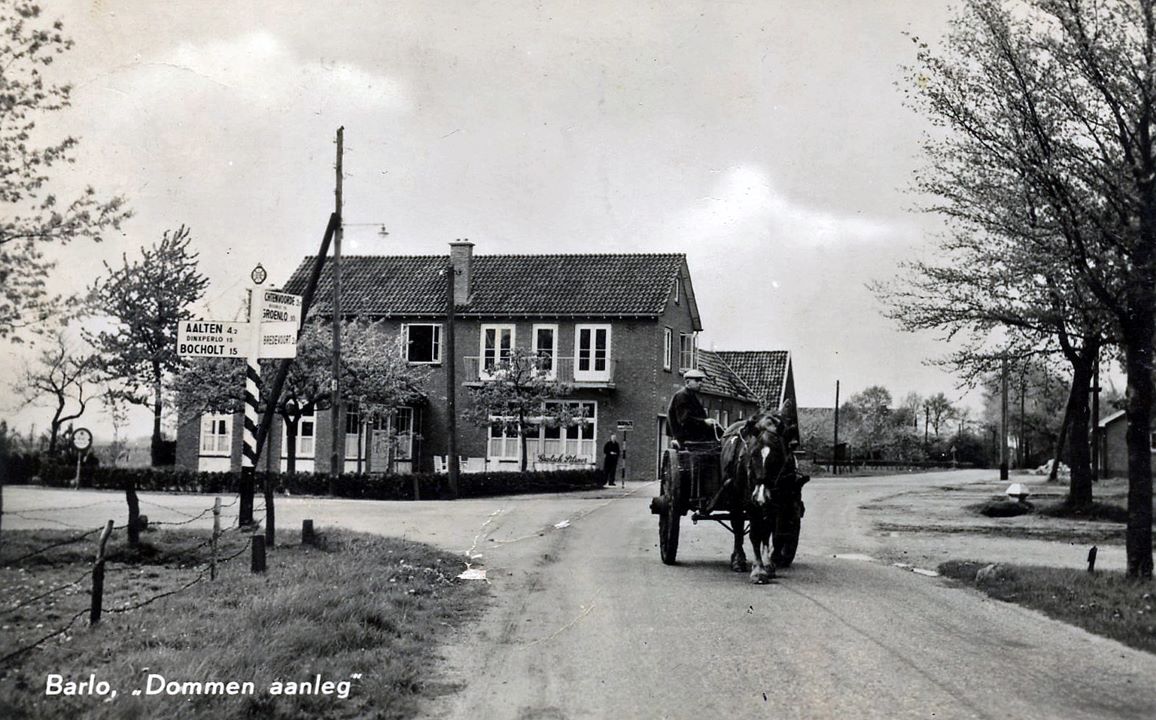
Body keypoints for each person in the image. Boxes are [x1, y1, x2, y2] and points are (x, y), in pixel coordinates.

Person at [666, 369, 718, 445]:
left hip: (694, 435)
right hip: (688, 437)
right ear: (687, 382)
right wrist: (704, 422)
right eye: (697, 380)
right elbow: (684, 420)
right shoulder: (682, 396)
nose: (700, 383)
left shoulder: (690, 395)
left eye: (701, 380)